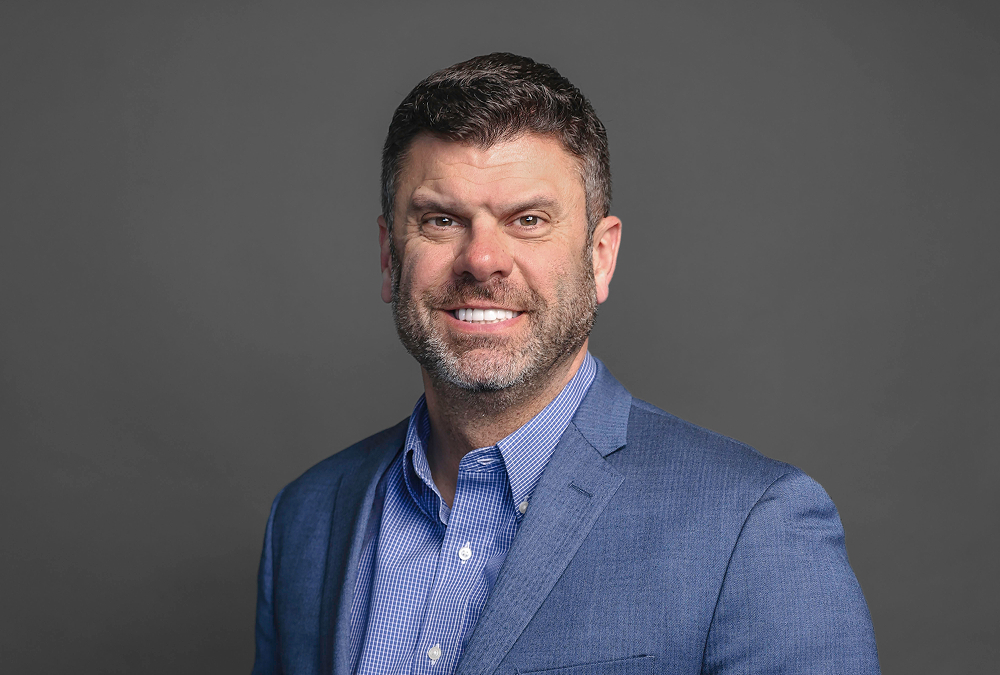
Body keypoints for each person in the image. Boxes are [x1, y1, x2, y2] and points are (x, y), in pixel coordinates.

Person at [251, 53, 879, 675]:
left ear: (600, 258)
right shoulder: (306, 516)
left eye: (528, 221)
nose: (483, 260)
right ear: (390, 257)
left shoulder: (753, 527)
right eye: (442, 220)